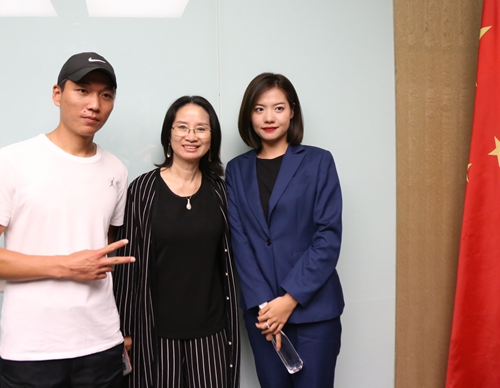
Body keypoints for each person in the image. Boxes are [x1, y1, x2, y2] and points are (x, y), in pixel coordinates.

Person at [0, 52, 135, 388]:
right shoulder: (13, 160)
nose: (94, 104)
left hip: (102, 345)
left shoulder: (116, 170)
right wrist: (66, 266)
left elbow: (104, 252)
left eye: (105, 95)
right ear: (58, 94)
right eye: (83, 91)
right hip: (33, 351)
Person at [113, 96, 240, 388]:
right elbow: (127, 265)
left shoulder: (221, 192)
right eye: (182, 127)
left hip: (211, 332)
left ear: (212, 137)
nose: (191, 136)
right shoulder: (142, 190)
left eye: (201, 128)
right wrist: (124, 329)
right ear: (168, 134)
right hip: (155, 333)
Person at [225, 73, 344, 388]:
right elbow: (240, 242)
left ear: (292, 111)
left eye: (278, 108)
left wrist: (289, 300)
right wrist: (267, 307)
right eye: (259, 109)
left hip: (314, 311)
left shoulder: (319, 162)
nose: (269, 117)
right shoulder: (236, 170)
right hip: (262, 316)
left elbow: (328, 238)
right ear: (249, 115)